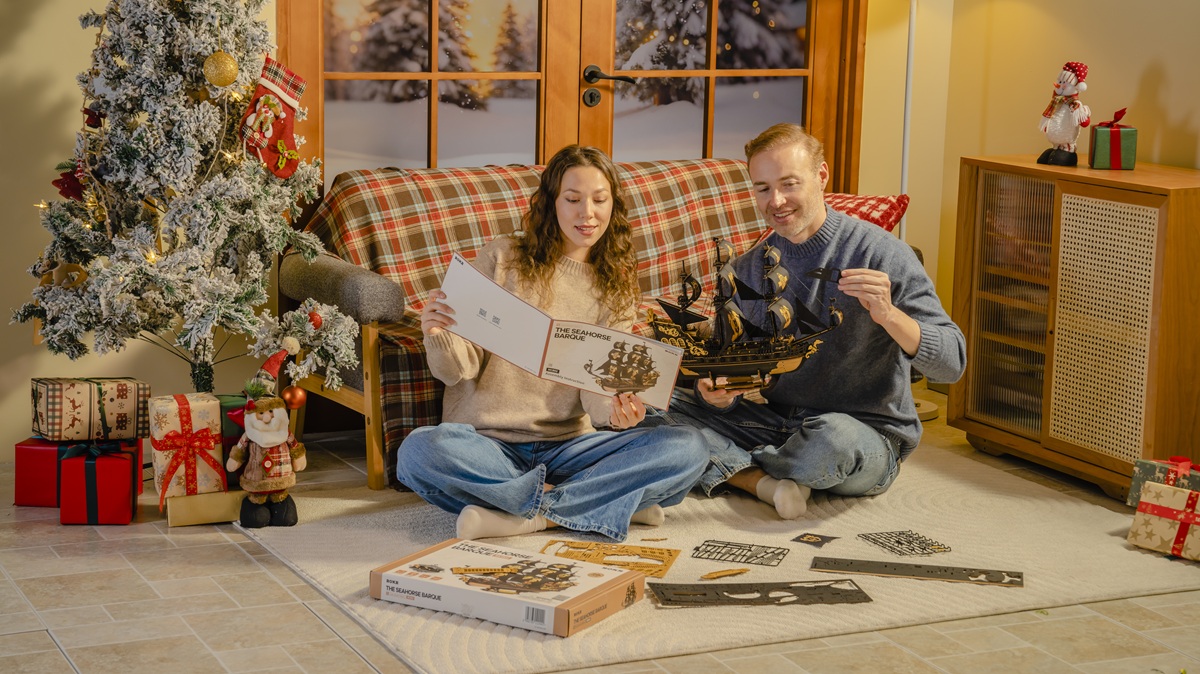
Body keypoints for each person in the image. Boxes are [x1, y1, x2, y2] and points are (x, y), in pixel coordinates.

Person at [643, 123, 966, 519]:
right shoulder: (748, 269)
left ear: (821, 175)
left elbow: (951, 365)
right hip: (777, 423)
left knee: (831, 440)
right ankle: (765, 479)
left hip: (862, 435)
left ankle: (730, 465)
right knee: (645, 403)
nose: (776, 201)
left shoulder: (882, 253)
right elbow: (740, 376)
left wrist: (889, 315)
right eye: (763, 188)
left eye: (789, 184)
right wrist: (720, 397)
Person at [396, 145, 708, 541]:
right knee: (419, 451)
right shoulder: (503, 257)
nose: (587, 214)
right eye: (573, 200)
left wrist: (617, 413)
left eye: (599, 200)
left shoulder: (617, 287)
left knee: (688, 448)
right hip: (486, 445)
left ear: (613, 205)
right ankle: (605, 502)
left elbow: (595, 395)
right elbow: (457, 371)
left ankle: (532, 513)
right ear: (551, 202)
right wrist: (437, 335)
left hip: (570, 449)